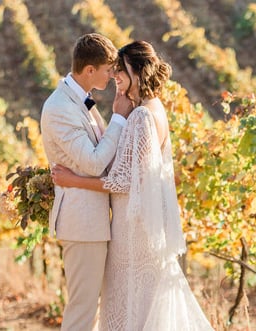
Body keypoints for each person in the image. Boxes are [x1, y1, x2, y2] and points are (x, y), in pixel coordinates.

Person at [52, 40, 214, 331]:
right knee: (145, 304)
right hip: (142, 225)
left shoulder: (140, 116)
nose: (115, 77)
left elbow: (125, 180)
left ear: (137, 73)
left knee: (132, 307)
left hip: (132, 230)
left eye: (121, 71)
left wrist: (72, 180)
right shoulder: (154, 109)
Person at [39, 33, 132, 331]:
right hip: (82, 222)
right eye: (108, 69)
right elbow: (93, 163)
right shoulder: (60, 108)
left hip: (93, 221)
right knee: (82, 309)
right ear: (89, 70)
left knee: (90, 309)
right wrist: (118, 119)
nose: (112, 75)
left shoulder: (79, 101)